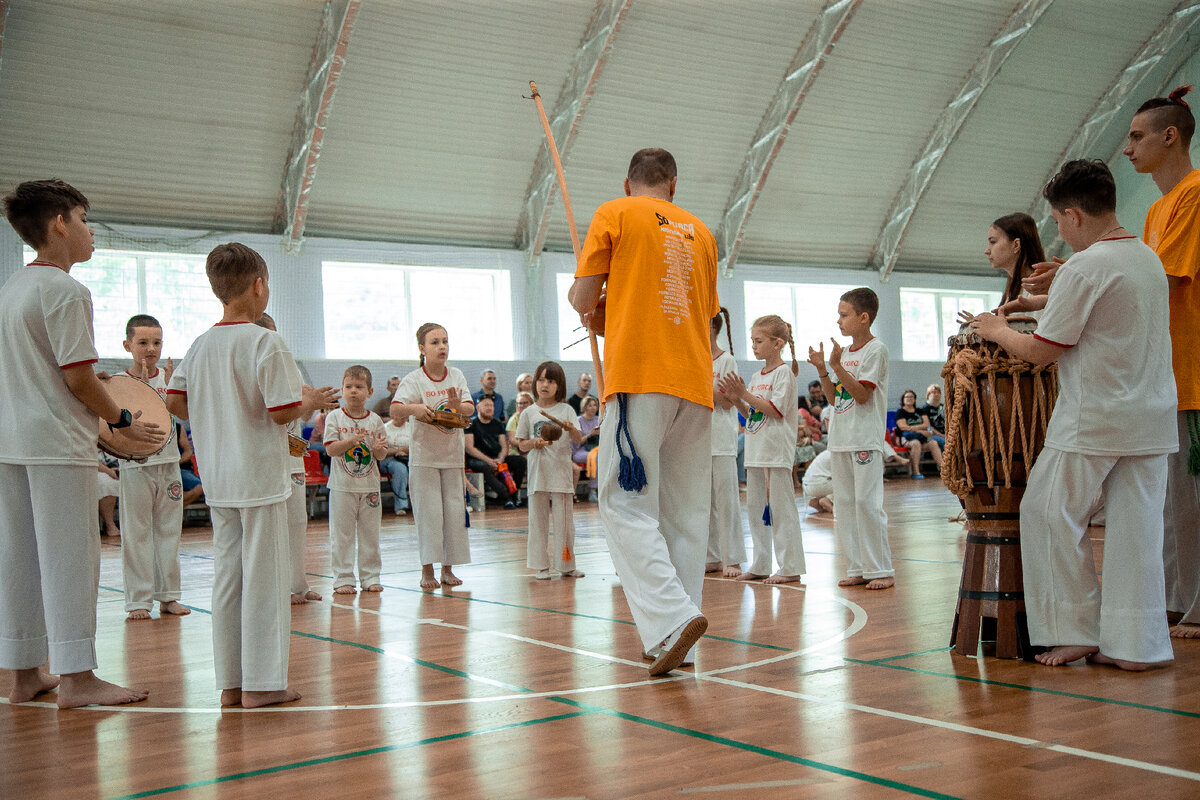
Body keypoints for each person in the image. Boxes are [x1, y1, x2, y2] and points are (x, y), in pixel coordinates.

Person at [968, 159, 1176, 670]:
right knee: (1137, 532)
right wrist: (1055, 286)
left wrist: (994, 330)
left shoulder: (1087, 267)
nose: (1056, 229)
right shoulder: (1145, 258)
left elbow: (1041, 350)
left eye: (1058, 220)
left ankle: (1074, 629)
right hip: (1150, 417)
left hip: (1095, 417)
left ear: (1074, 215)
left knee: (1045, 512)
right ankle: (1138, 646)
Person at [1, 179, 165, 708]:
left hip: (11, 442)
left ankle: (25, 672)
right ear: (59, 225)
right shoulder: (66, 291)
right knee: (71, 559)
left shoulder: (11, 288)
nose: (92, 232)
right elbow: (79, 378)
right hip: (55, 443)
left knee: (19, 558)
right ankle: (77, 678)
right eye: (86, 219)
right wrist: (120, 420)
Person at [166, 242, 338, 707]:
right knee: (263, 580)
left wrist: (217, 412)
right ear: (260, 286)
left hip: (219, 477)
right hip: (260, 477)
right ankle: (263, 684)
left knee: (229, 579)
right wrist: (309, 401)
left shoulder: (200, 344)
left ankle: (231, 683)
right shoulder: (265, 341)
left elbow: (174, 401)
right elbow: (283, 412)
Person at [569, 147, 717, 676]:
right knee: (686, 515)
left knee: (625, 507)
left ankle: (674, 619)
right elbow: (695, 314)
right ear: (673, 185)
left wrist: (581, 297)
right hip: (695, 383)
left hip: (639, 378)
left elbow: (584, 297)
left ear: (628, 183)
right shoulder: (702, 232)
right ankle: (676, 640)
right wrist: (611, 315)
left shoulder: (615, 212)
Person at [1124, 86, 1200, 639]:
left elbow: (1160, 275)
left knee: (1193, 503)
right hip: (1164, 376)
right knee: (1171, 505)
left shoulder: (1197, 194)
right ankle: (1177, 598)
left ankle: (1198, 602)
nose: (1127, 148)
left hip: (1194, 376)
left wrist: (1090, 273)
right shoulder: (1155, 208)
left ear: (1170, 136)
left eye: (1137, 136)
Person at [808, 287, 893, 590]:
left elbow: (861, 394)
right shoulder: (843, 354)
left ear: (864, 317)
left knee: (866, 502)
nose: (839, 321)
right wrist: (823, 370)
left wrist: (836, 367)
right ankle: (857, 567)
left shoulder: (876, 350)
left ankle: (880, 569)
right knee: (844, 504)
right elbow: (835, 398)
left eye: (844, 315)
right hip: (841, 438)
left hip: (864, 439)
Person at [720, 315, 804, 585]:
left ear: (777, 343)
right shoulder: (757, 376)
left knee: (781, 509)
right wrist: (737, 401)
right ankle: (761, 563)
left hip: (776, 450)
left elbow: (776, 411)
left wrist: (744, 394)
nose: (754, 346)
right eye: (753, 341)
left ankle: (790, 566)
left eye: (759, 341)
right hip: (757, 448)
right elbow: (754, 415)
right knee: (756, 510)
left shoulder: (784, 374)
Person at [116, 314, 189, 621]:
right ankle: (138, 600)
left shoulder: (169, 381)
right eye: (143, 342)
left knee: (169, 531)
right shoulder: (119, 383)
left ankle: (169, 596)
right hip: (136, 467)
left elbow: (181, 417)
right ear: (127, 345)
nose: (150, 348)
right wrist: (139, 386)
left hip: (169, 464)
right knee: (136, 534)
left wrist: (173, 388)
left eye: (156, 342)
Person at [391, 322, 475, 590]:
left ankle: (447, 570)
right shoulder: (414, 379)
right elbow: (395, 411)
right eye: (435, 342)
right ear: (421, 348)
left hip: (451, 457)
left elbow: (469, 409)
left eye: (445, 341)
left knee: (452, 514)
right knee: (429, 516)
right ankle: (427, 571)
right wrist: (415, 408)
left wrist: (455, 406)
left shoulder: (456, 375)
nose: (442, 347)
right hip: (424, 458)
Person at [254, 312, 320, 605]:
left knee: (297, 521)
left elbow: (299, 418)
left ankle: (298, 585)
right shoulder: (249, 370)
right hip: (263, 459)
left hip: (293, 457)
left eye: (274, 334)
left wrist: (312, 405)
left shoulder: (290, 368)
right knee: (268, 527)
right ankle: (271, 587)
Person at [515, 360, 585, 579]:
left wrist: (571, 428)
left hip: (561, 473)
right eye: (541, 380)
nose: (545, 385)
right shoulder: (528, 412)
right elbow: (521, 444)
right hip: (538, 474)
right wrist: (533, 443)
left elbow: (578, 439)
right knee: (538, 521)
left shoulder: (566, 410)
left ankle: (566, 565)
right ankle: (541, 566)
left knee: (565, 523)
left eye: (551, 381)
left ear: (559, 385)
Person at [324, 365, 388, 595]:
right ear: (342, 390)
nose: (353, 391)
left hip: (370, 486)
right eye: (348, 387)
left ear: (369, 392)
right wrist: (352, 441)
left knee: (371, 534)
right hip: (342, 486)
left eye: (359, 387)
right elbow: (331, 450)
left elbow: (380, 454)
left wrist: (380, 449)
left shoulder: (376, 421)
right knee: (342, 535)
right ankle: (343, 578)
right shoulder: (334, 417)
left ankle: (371, 576)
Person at [706, 308, 746, 578]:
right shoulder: (693, 358)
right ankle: (712, 556)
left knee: (726, 501)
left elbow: (726, 400)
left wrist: (695, 384)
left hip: (721, 439)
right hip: (696, 440)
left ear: (711, 326)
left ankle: (732, 558)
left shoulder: (726, 360)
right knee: (703, 503)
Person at [465, 395, 524, 508]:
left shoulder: (498, 424)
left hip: (497, 458)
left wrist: (501, 458)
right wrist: (488, 460)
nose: (489, 408)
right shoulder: (471, 424)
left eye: (491, 405)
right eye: (486, 405)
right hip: (478, 459)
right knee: (484, 466)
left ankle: (514, 496)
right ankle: (506, 497)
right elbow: (469, 448)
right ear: (477, 407)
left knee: (520, 461)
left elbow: (504, 446)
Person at [985, 212, 1047, 314]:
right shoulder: (1011, 291)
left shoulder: (1036, 289)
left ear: (1016, 245)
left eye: (993, 242)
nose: (987, 250)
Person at [894, 389, 943, 480]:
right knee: (916, 443)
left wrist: (914, 429)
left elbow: (927, 424)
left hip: (922, 437)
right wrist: (920, 430)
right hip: (907, 439)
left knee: (933, 443)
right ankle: (916, 472)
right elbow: (903, 427)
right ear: (903, 399)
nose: (909, 398)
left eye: (911, 397)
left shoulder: (920, 411)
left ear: (915, 399)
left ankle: (943, 470)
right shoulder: (900, 412)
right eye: (907, 397)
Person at [571, 395, 602, 501]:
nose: (593, 408)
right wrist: (590, 434)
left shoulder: (599, 420)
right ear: (584, 407)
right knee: (597, 457)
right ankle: (592, 490)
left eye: (595, 405)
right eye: (590, 405)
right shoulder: (578, 421)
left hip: (597, 447)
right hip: (581, 450)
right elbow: (576, 441)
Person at [379, 416, 411, 516]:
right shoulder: (385, 428)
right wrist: (397, 451)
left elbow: (417, 445)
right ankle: (400, 505)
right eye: (400, 416)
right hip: (388, 459)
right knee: (400, 469)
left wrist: (405, 451)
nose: (402, 418)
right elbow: (380, 451)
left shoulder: (411, 427)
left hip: (407, 457)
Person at [97, 451, 122, 537]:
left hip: (118, 465)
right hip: (97, 469)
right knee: (106, 483)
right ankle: (110, 525)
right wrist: (109, 471)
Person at [802, 449, 834, 514]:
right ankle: (828, 499)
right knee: (845, 483)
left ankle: (816, 501)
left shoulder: (826, 453)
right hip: (818, 485)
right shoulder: (836, 455)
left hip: (806, 486)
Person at [921, 384, 946, 448]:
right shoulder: (925, 409)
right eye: (934, 392)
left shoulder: (943, 407)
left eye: (938, 392)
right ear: (928, 395)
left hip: (944, 434)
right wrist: (942, 435)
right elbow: (928, 427)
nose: (937, 394)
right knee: (946, 442)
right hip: (931, 435)